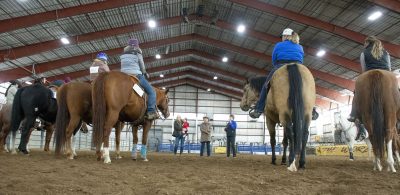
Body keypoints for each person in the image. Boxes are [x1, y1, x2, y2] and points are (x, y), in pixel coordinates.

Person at [250, 28, 304, 118]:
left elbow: (274, 59)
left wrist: (277, 66)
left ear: (285, 36)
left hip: (281, 65)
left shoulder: (278, 45)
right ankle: (312, 110)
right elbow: (301, 59)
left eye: (282, 36)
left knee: (266, 86)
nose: (282, 38)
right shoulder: (299, 46)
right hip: (298, 66)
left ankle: (258, 109)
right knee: (306, 86)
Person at [348, 36, 391, 141]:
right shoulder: (386, 53)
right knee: (396, 90)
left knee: (356, 92)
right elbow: (389, 68)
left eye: (364, 43)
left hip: (370, 75)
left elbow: (364, 70)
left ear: (368, 43)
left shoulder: (364, 53)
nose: (364, 45)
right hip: (387, 75)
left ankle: (353, 114)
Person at [120, 38, 157, 120]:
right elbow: (142, 66)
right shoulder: (138, 53)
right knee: (152, 92)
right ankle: (151, 111)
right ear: (137, 46)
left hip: (123, 76)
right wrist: (144, 73)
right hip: (136, 75)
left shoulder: (123, 55)